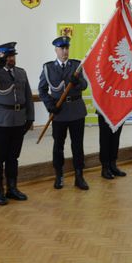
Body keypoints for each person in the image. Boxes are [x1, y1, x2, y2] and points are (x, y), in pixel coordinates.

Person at [0, 42, 34, 206]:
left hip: (18, 120)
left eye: (13, 56)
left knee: (13, 157)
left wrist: (30, 117)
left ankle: (12, 188)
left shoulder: (21, 72)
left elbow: (28, 95)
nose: (11, 59)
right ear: (0, 56)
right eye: (8, 56)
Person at [38, 36, 89, 190]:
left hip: (76, 111)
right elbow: (42, 89)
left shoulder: (77, 65)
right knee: (58, 145)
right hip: (59, 112)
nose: (65, 51)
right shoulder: (48, 68)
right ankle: (59, 175)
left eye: (67, 48)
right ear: (56, 50)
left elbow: (85, 85)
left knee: (77, 145)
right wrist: (50, 106)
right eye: (61, 48)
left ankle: (79, 176)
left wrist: (77, 82)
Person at [97, 114, 126, 179]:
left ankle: (113, 166)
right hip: (104, 112)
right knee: (105, 140)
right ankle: (105, 168)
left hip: (119, 112)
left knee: (115, 140)